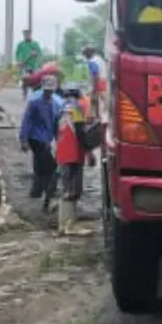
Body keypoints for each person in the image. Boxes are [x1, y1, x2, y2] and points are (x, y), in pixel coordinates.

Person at [54, 83, 96, 236]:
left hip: (63, 151)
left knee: (66, 187)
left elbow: (55, 130)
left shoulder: (60, 108)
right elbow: (80, 131)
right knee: (73, 189)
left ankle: (62, 225)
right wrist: (89, 151)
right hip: (74, 152)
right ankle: (69, 226)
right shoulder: (76, 108)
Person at [19, 74, 62, 212]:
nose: (48, 92)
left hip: (46, 139)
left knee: (40, 165)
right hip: (35, 139)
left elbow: (55, 123)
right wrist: (23, 139)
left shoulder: (56, 104)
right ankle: (49, 197)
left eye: (51, 89)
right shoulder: (35, 102)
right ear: (43, 89)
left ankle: (36, 192)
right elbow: (27, 121)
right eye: (46, 89)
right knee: (52, 168)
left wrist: (58, 139)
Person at [14, 29, 44, 99]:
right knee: (25, 79)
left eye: (28, 34)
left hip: (33, 65)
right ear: (23, 35)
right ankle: (24, 94)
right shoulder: (20, 44)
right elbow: (17, 54)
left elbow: (39, 53)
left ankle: (35, 94)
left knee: (34, 80)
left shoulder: (35, 44)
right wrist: (18, 61)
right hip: (24, 65)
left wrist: (35, 54)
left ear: (30, 35)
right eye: (25, 34)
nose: (26, 36)